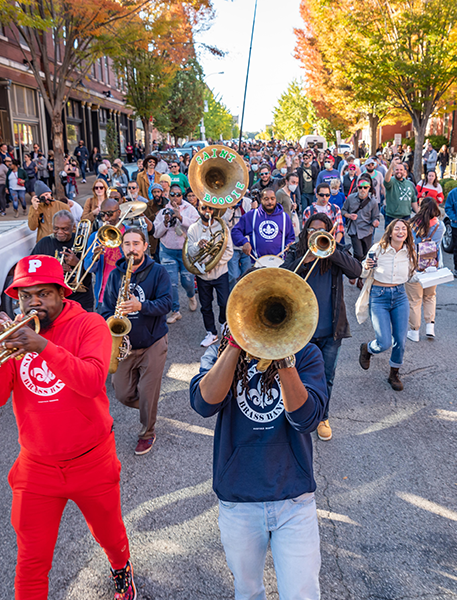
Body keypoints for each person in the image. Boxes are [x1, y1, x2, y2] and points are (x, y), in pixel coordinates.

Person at [0, 257, 136, 600]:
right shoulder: (15, 337)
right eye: (25, 295)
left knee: (108, 534)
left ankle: (121, 567)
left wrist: (43, 347)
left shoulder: (89, 324)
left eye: (43, 293)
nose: (34, 302)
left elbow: (92, 381)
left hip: (92, 459)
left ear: (62, 293)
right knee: (31, 560)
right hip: (37, 467)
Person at [189, 314, 327, 600]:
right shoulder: (219, 352)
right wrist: (234, 347)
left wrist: (284, 357)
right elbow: (203, 404)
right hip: (238, 500)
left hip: (294, 500)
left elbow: (306, 420)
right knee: (248, 591)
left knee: (302, 594)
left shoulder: (306, 352)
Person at [283, 214, 361, 441]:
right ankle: (295, 414)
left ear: (327, 233)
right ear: (305, 231)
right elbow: (280, 275)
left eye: (321, 231)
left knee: (326, 377)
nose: (315, 234)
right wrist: (304, 260)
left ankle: (321, 416)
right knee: (294, 375)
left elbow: (356, 271)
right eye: (312, 230)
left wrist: (331, 250)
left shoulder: (336, 253)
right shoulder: (295, 252)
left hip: (330, 330)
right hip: (300, 331)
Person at [100, 229, 172, 455]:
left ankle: (147, 432)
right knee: (121, 393)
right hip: (124, 344)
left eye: (136, 244)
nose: (132, 249)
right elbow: (104, 309)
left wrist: (141, 306)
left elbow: (166, 304)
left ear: (145, 246)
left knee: (148, 391)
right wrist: (109, 320)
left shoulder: (158, 272)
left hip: (153, 342)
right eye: (127, 244)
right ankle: (149, 408)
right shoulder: (115, 276)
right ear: (122, 247)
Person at [357, 219, 418, 391]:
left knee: (400, 339)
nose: (401, 231)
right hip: (379, 296)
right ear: (390, 232)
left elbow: (412, 275)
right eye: (397, 228)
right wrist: (365, 266)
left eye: (404, 229)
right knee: (384, 342)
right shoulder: (378, 249)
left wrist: (429, 274)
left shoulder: (410, 251)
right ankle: (367, 348)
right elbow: (363, 273)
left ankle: (394, 373)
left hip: (400, 296)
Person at [186, 204, 234, 347]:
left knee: (224, 303)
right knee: (205, 305)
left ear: (215, 210)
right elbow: (190, 252)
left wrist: (213, 262)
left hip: (220, 273)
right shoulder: (193, 229)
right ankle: (211, 333)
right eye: (204, 208)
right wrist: (197, 246)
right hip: (202, 276)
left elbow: (229, 251)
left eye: (210, 209)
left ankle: (222, 324)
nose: (207, 211)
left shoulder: (222, 227)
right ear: (198, 209)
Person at [32, 210, 95, 312]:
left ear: (73, 227)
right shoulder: (44, 243)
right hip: (53, 301)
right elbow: (32, 270)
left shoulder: (84, 241)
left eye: (64, 229)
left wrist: (77, 263)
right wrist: (55, 269)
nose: (60, 232)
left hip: (81, 299)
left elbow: (94, 268)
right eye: (56, 228)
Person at [153, 184, 200, 324]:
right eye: (172, 194)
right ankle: (175, 311)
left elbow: (197, 227)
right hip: (167, 251)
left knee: (187, 281)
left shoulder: (190, 209)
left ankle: (191, 295)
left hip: (186, 252)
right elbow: (156, 233)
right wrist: (165, 223)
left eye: (178, 194)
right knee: (171, 283)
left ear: (182, 195)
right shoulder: (163, 212)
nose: (175, 197)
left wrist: (180, 217)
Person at [406, 199, 445, 342]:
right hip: (432, 266)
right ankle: (430, 326)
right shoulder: (440, 226)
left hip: (415, 267)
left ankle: (414, 331)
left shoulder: (411, 225)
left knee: (414, 300)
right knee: (429, 296)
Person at [232, 188, 296, 266]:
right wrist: (244, 242)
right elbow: (236, 231)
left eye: (272, 199)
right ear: (261, 200)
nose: (270, 202)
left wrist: (289, 244)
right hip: (257, 262)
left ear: (276, 199)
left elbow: (290, 237)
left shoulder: (284, 217)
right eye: (266, 199)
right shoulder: (252, 215)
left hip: (279, 263)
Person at [341, 173, 380, 273]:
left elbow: (376, 216)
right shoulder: (350, 198)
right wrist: (349, 216)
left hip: (367, 230)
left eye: (365, 187)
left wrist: (376, 221)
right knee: (358, 253)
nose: (363, 190)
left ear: (369, 188)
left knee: (366, 254)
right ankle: (356, 273)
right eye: (360, 187)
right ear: (357, 187)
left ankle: (363, 275)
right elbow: (343, 211)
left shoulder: (373, 202)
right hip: (355, 230)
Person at [383, 157, 419, 225]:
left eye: (401, 170)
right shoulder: (391, 181)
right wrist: (391, 167)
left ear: (404, 171)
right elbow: (386, 180)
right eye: (396, 170)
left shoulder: (410, 184)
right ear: (393, 172)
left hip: (406, 217)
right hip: (391, 218)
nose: (399, 171)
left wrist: (418, 213)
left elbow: (413, 201)